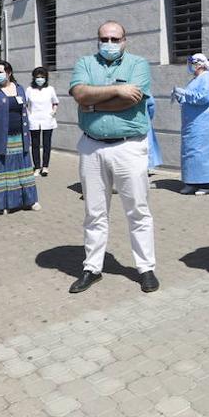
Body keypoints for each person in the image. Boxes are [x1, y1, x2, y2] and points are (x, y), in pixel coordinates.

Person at [68, 21, 159, 294]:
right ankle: (92, 267)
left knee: (138, 210)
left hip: (128, 147)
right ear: (97, 40)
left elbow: (132, 100)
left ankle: (146, 268)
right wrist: (118, 89)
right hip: (92, 146)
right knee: (94, 212)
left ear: (125, 40)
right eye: (104, 39)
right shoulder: (85, 63)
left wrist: (93, 103)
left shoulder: (138, 64)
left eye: (115, 39)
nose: (109, 43)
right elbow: (78, 93)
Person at [0, 61, 41, 214]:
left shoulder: (19, 89)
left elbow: (23, 109)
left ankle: (29, 201)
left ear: (9, 73)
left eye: (1, 71)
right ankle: (2, 204)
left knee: (22, 170)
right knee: (3, 171)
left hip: (19, 137)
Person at [173, 53, 209, 195]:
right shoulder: (195, 80)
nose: (190, 65)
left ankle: (206, 185)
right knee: (190, 153)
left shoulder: (208, 79)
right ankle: (191, 183)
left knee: (204, 153)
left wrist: (185, 93)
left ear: (200, 64)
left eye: (193, 63)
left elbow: (203, 98)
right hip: (191, 125)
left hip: (205, 125)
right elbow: (189, 98)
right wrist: (180, 96)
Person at [26, 66, 59, 177]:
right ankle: (36, 167)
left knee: (46, 145)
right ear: (34, 78)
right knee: (35, 145)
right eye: (37, 77)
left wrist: (53, 113)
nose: (40, 79)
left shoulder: (50, 89)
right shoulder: (29, 90)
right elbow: (25, 104)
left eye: (42, 77)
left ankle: (45, 167)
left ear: (46, 78)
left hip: (47, 120)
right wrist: (28, 115)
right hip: (34, 120)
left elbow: (55, 102)